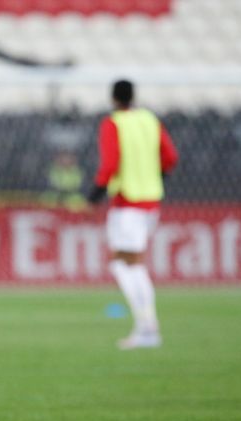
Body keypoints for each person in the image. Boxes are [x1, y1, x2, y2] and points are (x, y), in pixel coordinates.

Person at [87, 80, 178, 350]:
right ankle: (147, 327)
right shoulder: (150, 120)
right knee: (128, 264)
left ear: (113, 99)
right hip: (151, 204)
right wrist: (154, 177)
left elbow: (110, 163)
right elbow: (170, 157)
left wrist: (95, 193)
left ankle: (148, 328)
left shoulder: (113, 123)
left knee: (127, 266)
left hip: (128, 204)